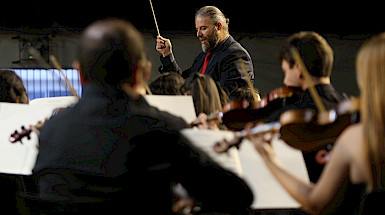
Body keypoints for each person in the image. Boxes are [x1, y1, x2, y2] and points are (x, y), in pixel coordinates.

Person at [30, 19, 253, 214]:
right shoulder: (162, 130)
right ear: (142, 73)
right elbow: (238, 195)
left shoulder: (51, 130)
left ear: (79, 74)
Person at [247, 32, 385, 214]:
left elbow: (315, 202)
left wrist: (267, 157)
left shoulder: (359, 137)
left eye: (285, 70)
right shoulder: (348, 109)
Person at [267, 31, 348, 183]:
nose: (285, 81)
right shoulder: (347, 106)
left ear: (298, 68)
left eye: (286, 71)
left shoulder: (288, 117)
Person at [156, 6, 254, 95]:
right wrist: (167, 54)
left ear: (218, 27)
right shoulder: (203, 56)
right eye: (197, 29)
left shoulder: (236, 55)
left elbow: (228, 98)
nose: (198, 34)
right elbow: (183, 83)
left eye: (203, 28)